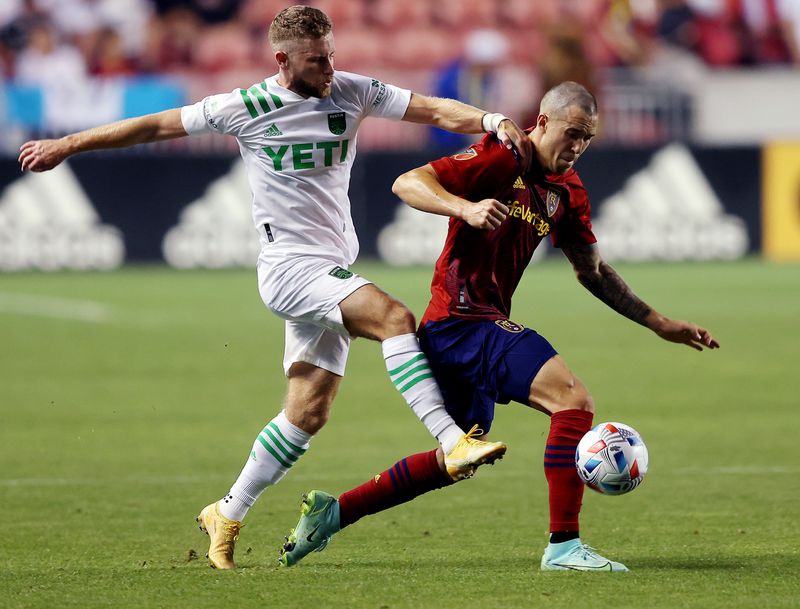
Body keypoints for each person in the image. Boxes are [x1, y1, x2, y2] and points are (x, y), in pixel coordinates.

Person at [17, 5, 535, 570]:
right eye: (317, 60)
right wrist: (68, 144)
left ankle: (227, 510)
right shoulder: (246, 107)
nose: (330, 67)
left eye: (332, 54)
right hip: (290, 268)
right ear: (283, 59)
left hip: (329, 268)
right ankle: (451, 439)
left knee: (308, 412)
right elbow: (156, 125)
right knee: (393, 317)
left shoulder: (351, 91)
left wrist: (489, 120)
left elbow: (431, 107)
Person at [279, 81, 720, 572]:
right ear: (543, 122)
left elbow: (591, 271)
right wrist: (463, 207)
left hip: (474, 326)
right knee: (572, 400)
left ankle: (333, 513)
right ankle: (564, 546)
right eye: (572, 133)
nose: (577, 147)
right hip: (459, 323)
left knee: (461, 453)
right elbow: (407, 182)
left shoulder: (568, 192)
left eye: (588, 138)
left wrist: (659, 323)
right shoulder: (501, 157)